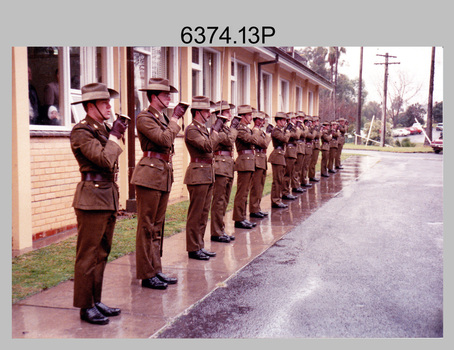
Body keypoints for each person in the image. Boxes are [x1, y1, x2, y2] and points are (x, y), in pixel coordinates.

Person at [70, 83, 128, 325]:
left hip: (106, 195)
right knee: (88, 254)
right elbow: (104, 159)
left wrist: (112, 134)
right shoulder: (82, 131)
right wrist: (114, 136)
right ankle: (85, 306)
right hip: (91, 198)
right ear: (90, 106)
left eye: (109, 102)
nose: (109, 106)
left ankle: (96, 300)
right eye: (104, 103)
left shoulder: (101, 129)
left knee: (102, 252)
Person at [130, 78, 186, 290]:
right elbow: (164, 140)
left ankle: (156, 269)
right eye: (165, 95)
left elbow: (169, 137)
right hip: (150, 174)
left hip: (162, 173)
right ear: (154, 97)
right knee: (146, 225)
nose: (169, 98)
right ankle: (146, 274)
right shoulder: (144, 117)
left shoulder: (161, 117)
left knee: (157, 226)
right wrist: (175, 119)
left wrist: (171, 121)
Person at [184, 96, 220, 260]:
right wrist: (216, 131)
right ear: (198, 112)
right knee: (196, 213)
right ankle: (193, 248)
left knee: (204, 213)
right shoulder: (192, 129)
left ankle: (199, 245)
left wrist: (213, 132)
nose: (209, 114)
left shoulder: (203, 129)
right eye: (206, 111)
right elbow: (208, 146)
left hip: (207, 173)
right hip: (198, 174)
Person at [210, 100, 238, 243]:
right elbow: (229, 141)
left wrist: (231, 129)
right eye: (227, 112)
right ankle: (216, 231)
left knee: (225, 200)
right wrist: (233, 129)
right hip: (220, 166)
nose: (230, 114)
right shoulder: (217, 129)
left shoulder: (225, 129)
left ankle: (221, 229)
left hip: (227, 166)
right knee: (219, 201)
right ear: (220, 114)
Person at [232, 105, 258, 229]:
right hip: (244, 161)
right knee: (242, 192)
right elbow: (252, 140)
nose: (251, 118)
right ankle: (238, 218)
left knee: (245, 191)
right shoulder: (240, 129)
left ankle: (242, 217)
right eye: (249, 115)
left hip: (249, 161)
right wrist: (257, 130)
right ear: (242, 116)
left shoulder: (246, 129)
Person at [249, 111, 271, 219]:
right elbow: (264, 143)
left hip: (262, 159)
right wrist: (268, 136)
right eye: (261, 120)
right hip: (257, 159)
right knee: (256, 186)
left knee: (261, 185)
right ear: (257, 120)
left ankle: (257, 207)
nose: (263, 122)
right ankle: (254, 209)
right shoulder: (255, 131)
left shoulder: (260, 132)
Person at [268, 112, 290, 208]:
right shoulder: (276, 131)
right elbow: (285, 139)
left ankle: (277, 198)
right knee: (277, 180)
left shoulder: (280, 130)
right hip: (277, 156)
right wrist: (288, 132)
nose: (284, 122)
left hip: (280, 155)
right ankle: (276, 200)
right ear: (278, 121)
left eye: (285, 120)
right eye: (283, 120)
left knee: (280, 179)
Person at [282, 112, 300, 200]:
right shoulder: (287, 128)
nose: (296, 120)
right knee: (287, 173)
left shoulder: (291, 128)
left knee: (291, 172)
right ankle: (285, 192)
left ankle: (287, 190)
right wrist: (297, 128)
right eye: (294, 119)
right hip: (289, 152)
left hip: (293, 151)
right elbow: (297, 135)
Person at [293, 112, 307, 193]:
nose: (301, 120)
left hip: (301, 148)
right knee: (296, 169)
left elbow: (305, 134)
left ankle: (297, 184)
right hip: (297, 148)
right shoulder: (296, 127)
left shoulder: (301, 127)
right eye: (299, 118)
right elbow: (299, 135)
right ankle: (295, 185)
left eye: (302, 118)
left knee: (299, 168)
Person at [301, 116, 314, 188]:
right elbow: (311, 136)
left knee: (306, 165)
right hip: (305, 148)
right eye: (309, 122)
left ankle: (304, 180)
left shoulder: (308, 129)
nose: (311, 124)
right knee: (304, 166)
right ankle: (303, 180)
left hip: (308, 147)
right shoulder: (305, 129)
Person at [309, 116, 321, 182]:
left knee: (314, 161)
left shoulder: (316, 129)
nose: (317, 123)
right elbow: (313, 136)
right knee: (312, 162)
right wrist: (315, 129)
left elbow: (319, 136)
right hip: (312, 146)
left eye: (317, 121)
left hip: (316, 146)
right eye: (315, 121)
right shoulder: (311, 128)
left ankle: (312, 175)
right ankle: (311, 176)